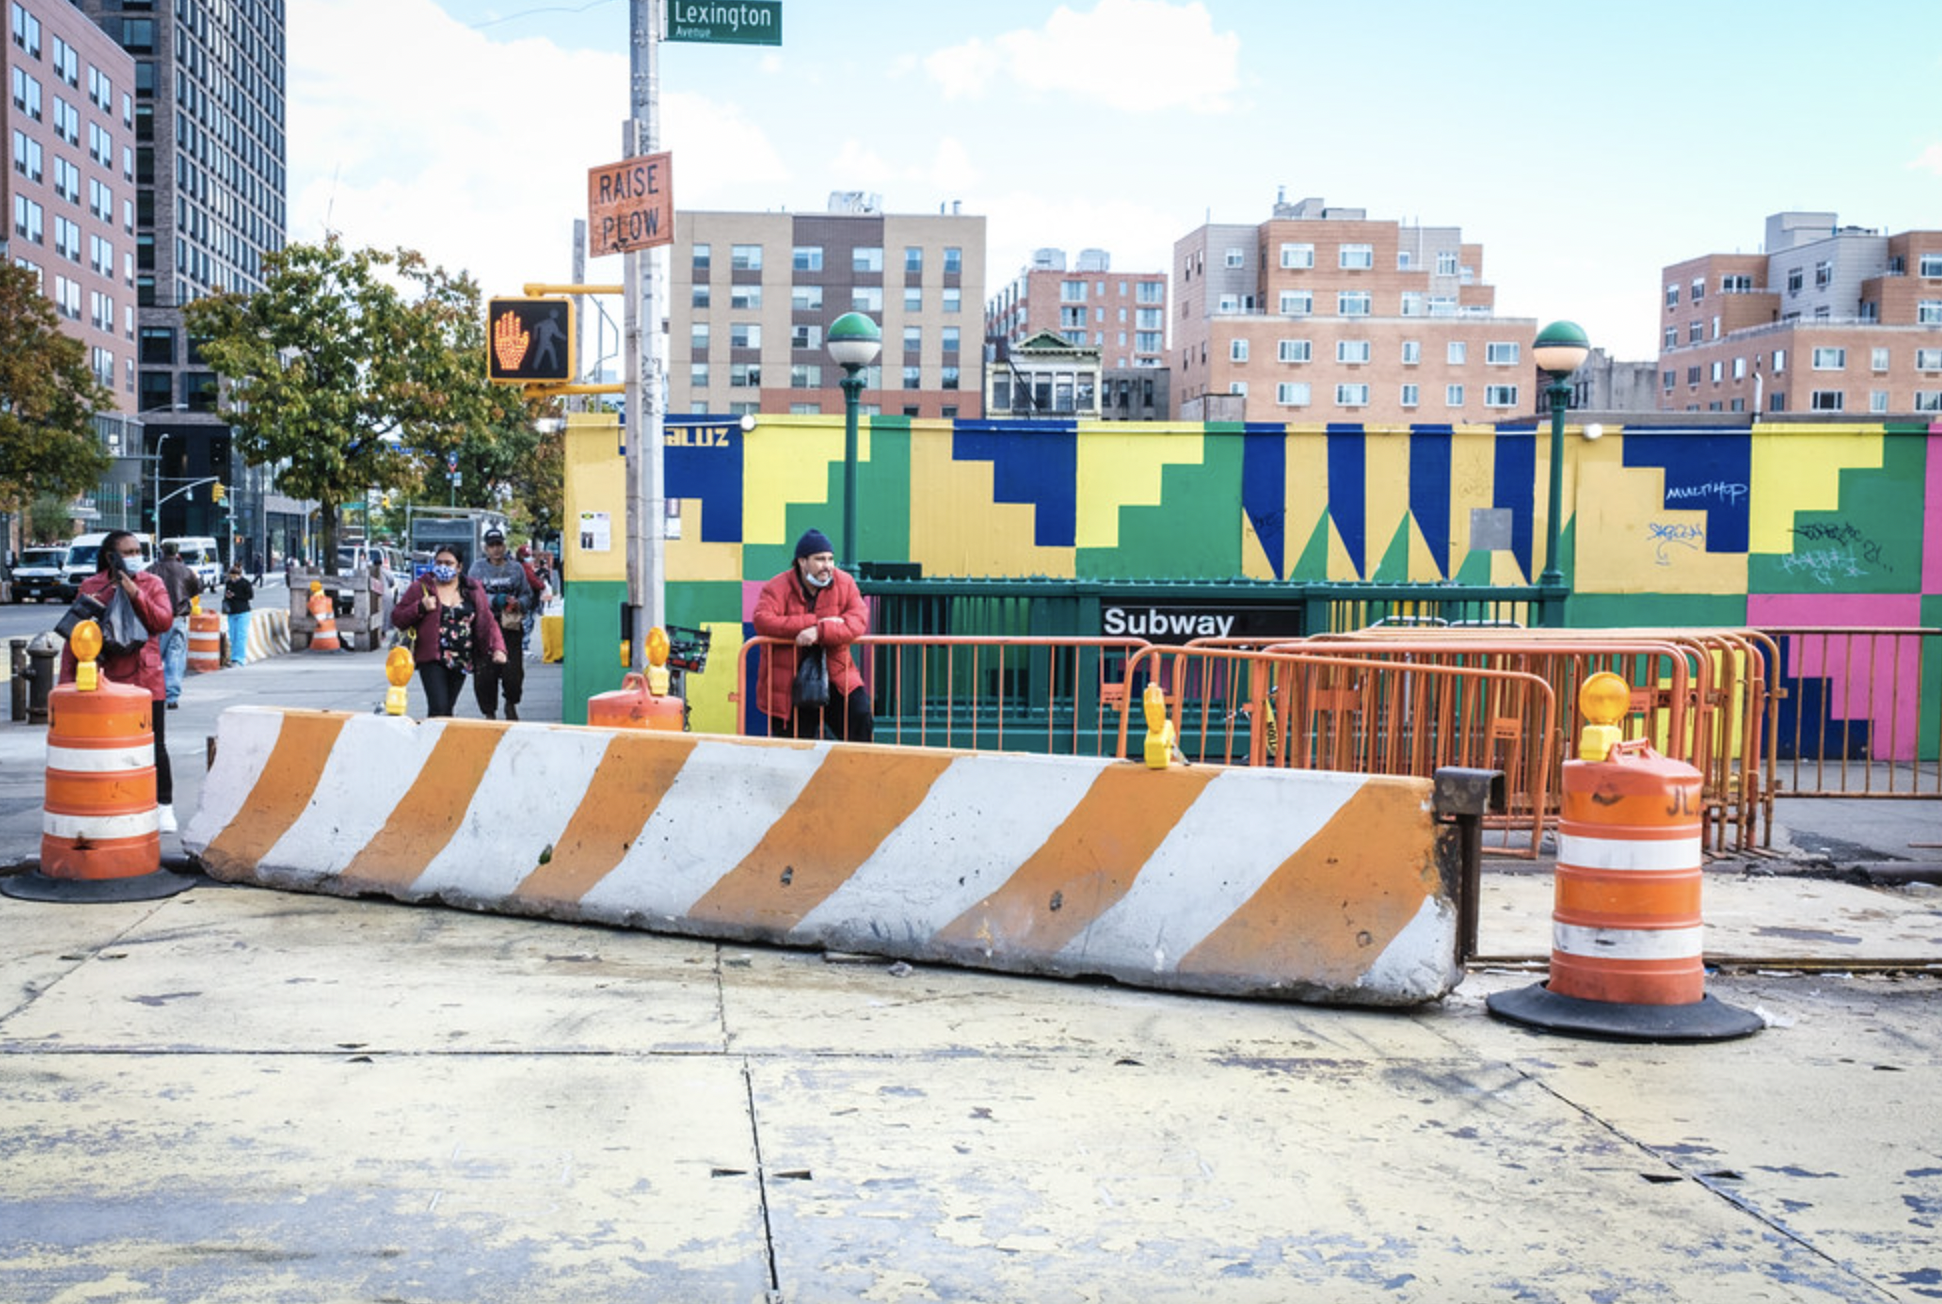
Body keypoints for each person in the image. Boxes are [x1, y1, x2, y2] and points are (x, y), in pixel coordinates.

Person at [58, 531, 178, 830]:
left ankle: (164, 805)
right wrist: (65, 685)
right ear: (111, 556)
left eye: (138, 550)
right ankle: (118, 801)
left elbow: (162, 621)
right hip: (107, 679)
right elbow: (77, 635)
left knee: (155, 744)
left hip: (146, 678)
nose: (135, 556)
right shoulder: (92, 586)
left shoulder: (152, 583)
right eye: (127, 552)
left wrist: (134, 592)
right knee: (110, 747)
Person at [752, 528, 873, 742]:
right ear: (801, 561)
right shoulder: (777, 586)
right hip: (789, 678)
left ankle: (859, 775)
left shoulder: (844, 582)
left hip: (836, 672)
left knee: (860, 718)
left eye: (830, 559)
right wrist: (814, 622)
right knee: (794, 748)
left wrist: (819, 631)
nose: (827, 565)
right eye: (819, 559)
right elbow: (763, 621)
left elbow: (858, 621)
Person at [392, 545, 506, 719]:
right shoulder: (421, 587)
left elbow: (488, 620)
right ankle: (430, 741)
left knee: (447, 708)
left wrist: (498, 648)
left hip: (461, 658)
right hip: (432, 657)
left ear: (459, 567)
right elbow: (397, 618)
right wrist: (420, 607)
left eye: (448, 563)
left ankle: (439, 743)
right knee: (438, 706)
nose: (442, 567)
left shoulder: (472, 589)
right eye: (438, 562)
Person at [467, 529, 535, 718]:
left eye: (499, 545)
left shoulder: (516, 569)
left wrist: (518, 603)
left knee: (513, 673)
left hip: (510, 626)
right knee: (484, 675)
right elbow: (471, 594)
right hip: (485, 626)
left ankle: (511, 702)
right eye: (492, 546)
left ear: (504, 546)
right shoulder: (477, 568)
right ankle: (489, 712)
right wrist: (494, 600)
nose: (496, 549)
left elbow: (527, 595)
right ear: (486, 548)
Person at [148, 540, 202, 709]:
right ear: (177, 553)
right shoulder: (185, 571)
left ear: (162, 551)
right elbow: (196, 588)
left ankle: (155, 693)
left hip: (156, 620)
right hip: (178, 619)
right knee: (175, 658)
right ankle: (172, 696)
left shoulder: (151, 570)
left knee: (154, 658)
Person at [221, 563, 254, 666]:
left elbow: (250, 596)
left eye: (235, 576)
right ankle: (233, 657)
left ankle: (239, 659)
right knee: (233, 636)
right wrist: (227, 597)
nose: (233, 579)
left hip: (243, 612)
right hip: (232, 612)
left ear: (240, 575)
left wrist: (236, 595)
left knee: (241, 636)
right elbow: (225, 597)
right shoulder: (229, 584)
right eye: (231, 576)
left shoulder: (245, 583)